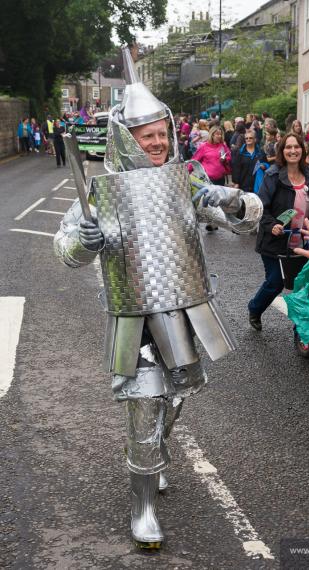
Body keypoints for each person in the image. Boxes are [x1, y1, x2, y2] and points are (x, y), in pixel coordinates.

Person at [54, 47, 263, 549]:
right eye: (147, 135)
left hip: (184, 312)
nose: (157, 142)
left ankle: (158, 450)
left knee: (174, 397)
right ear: (126, 136)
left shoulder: (184, 179)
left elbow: (246, 217)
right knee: (143, 404)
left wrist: (234, 199)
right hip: (133, 321)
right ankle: (143, 508)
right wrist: (84, 238)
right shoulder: (101, 191)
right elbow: (66, 252)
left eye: (162, 134)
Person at [248, 132, 309, 331]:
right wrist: (271, 224)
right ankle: (255, 308)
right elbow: (260, 207)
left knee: (303, 284)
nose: (293, 151)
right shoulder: (273, 175)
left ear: (303, 149)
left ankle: (301, 327)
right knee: (275, 282)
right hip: (274, 241)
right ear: (282, 151)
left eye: (297, 147)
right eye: (288, 147)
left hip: (302, 242)